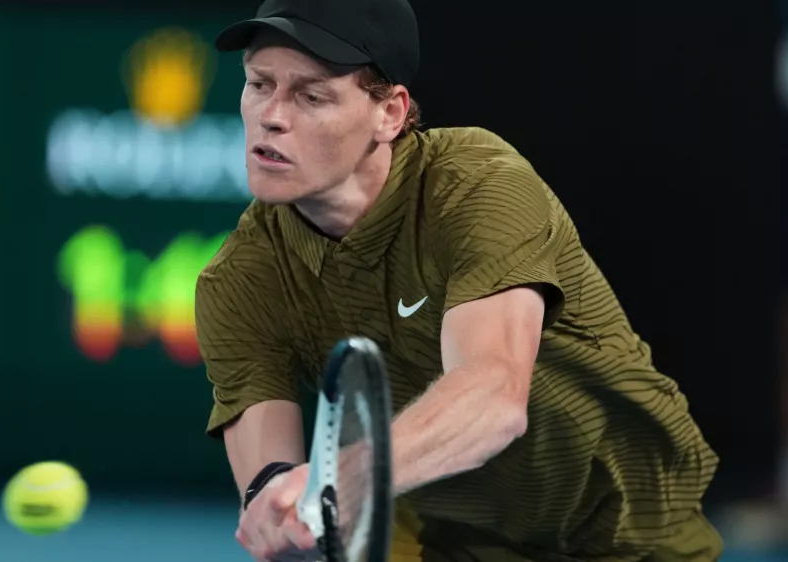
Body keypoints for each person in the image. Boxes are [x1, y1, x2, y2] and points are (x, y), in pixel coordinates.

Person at [194, 0, 723, 560]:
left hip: (626, 535)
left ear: (390, 114)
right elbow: (272, 488)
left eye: (311, 95)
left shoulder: (477, 183)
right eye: (259, 84)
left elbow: (493, 398)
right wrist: (279, 513)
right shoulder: (237, 281)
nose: (271, 115)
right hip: (447, 544)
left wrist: (344, 477)